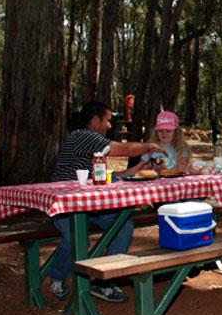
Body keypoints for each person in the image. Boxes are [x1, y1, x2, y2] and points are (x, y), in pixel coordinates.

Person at [49, 100, 165, 303]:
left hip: (89, 204)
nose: (110, 126)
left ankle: (105, 281)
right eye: (108, 121)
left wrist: (138, 168)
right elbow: (124, 149)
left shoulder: (89, 144)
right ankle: (58, 277)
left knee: (123, 225)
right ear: (95, 120)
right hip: (65, 205)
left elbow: (105, 177)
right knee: (77, 237)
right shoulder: (82, 136)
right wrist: (150, 145)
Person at [124, 110, 193, 175]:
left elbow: (182, 170)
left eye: (168, 131)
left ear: (176, 133)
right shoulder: (151, 149)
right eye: (160, 131)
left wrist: (164, 170)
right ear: (156, 132)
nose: (164, 133)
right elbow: (140, 170)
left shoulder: (181, 149)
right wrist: (148, 167)